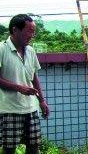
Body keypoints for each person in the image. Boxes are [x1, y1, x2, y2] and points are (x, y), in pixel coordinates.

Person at [0, 14, 50, 154]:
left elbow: (34, 77)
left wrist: (42, 101)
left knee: (34, 147)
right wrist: (19, 88)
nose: (32, 35)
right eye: (29, 31)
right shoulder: (2, 49)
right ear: (15, 30)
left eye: (34, 31)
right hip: (9, 109)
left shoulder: (31, 51)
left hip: (31, 108)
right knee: (9, 149)